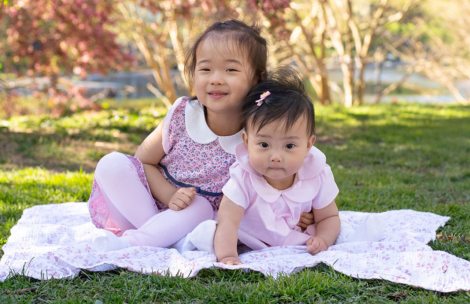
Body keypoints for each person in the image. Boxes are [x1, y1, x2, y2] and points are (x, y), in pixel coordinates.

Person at [87, 21, 313, 251]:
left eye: (230, 70)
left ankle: (135, 244)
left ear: (257, 78)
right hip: (145, 210)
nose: (215, 79)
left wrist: (302, 210)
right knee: (111, 164)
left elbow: (291, 169)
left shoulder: (263, 130)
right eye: (205, 69)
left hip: (204, 221)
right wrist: (169, 196)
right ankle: (162, 239)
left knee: (200, 207)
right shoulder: (182, 115)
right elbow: (143, 161)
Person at [212, 68, 341, 265]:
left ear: (308, 145)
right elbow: (228, 220)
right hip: (249, 239)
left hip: (296, 239)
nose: (275, 157)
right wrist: (228, 255)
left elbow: (329, 216)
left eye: (289, 146)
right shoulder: (243, 178)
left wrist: (323, 239)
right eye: (264, 145)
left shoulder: (317, 174)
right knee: (206, 234)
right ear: (246, 141)